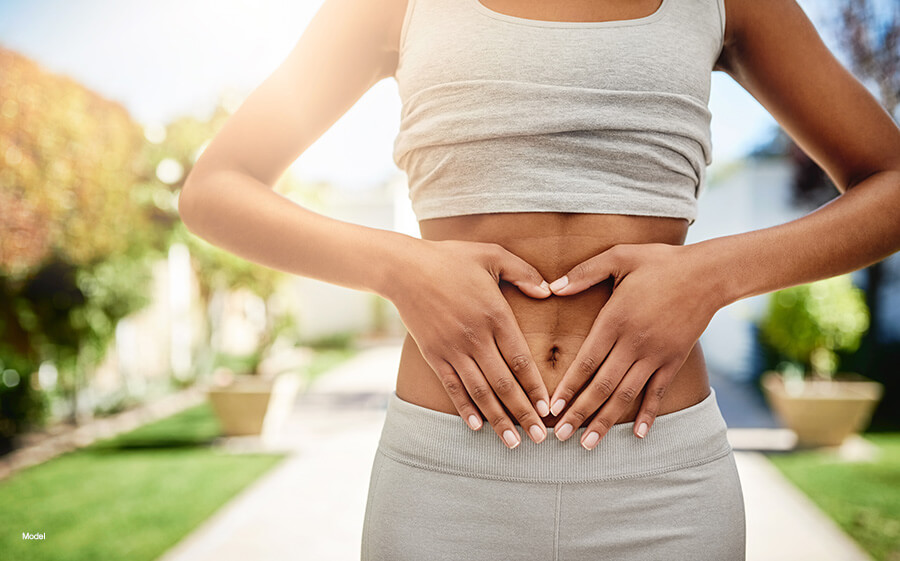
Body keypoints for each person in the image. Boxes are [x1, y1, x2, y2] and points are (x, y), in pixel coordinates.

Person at [177, 0, 900, 558]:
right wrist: (400, 267)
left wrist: (711, 275)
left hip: (665, 484)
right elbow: (216, 189)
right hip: (445, 481)